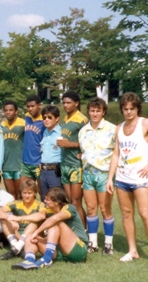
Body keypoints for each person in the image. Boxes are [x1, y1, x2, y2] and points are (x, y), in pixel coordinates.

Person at [107, 92, 148, 268]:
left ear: (137, 108)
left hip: (140, 180)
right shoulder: (119, 127)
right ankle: (132, 250)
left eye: (132, 109)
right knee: (127, 215)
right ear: (121, 109)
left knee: (145, 214)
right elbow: (116, 154)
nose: (129, 112)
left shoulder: (146, 124)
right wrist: (109, 178)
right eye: (125, 109)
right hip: (121, 179)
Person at [12, 187, 88, 270]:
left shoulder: (69, 208)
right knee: (30, 236)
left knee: (56, 223)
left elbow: (55, 219)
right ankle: (29, 261)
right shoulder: (49, 211)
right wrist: (15, 219)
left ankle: (47, 259)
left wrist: (37, 232)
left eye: (47, 199)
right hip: (59, 252)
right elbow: (39, 216)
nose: (45, 201)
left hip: (78, 250)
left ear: (56, 202)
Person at [79, 97, 117, 255]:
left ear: (103, 112)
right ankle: (92, 242)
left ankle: (108, 244)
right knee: (91, 208)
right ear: (88, 111)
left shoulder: (112, 129)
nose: (95, 114)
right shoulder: (83, 131)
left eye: (98, 111)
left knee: (105, 208)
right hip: (88, 174)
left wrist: (111, 177)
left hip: (104, 174)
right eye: (92, 110)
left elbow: (117, 153)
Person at [57, 90, 88, 228]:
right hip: (65, 164)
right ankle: (74, 229)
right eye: (64, 102)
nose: (65, 105)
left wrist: (70, 144)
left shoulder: (82, 120)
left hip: (76, 165)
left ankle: (83, 232)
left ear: (77, 103)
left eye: (69, 103)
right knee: (69, 201)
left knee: (76, 201)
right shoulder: (65, 119)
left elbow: (89, 142)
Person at [0, 179, 47, 260]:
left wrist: (18, 218)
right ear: (21, 193)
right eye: (24, 193)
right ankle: (16, 246)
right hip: (17, 234)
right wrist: (10, 220)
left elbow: (42, 216)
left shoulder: (39, 205)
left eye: (30, 193)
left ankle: (16, 248)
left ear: (35, 194)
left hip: (31, 237)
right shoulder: (16, 203)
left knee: (34, 222)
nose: (27, 196)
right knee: (3, 219)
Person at [21, 95, 45, 195]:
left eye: (33, 106)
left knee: (42, 192)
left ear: (39, 105)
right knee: (25, 191)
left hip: (38, 161)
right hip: (25, 161)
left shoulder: (45, 120)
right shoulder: (27, 117)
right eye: (28, 106)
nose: (30, 109)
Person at [1, 100, 24, 199]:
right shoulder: (2, 125)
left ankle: (22, 215)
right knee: (10, 196)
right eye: (6, 110)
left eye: (11, 110)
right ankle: (13, 214)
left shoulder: (23, 124)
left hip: (19, 165)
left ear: (16, 111)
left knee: (21, 194)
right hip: (6, 166)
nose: (8, 112)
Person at [39, 105, 63, 201]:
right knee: (45, 200)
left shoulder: (61, 132)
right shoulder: (44, 132)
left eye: (49, 117)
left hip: (55, 171)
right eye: (44, 118)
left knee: (56, 200)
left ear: (57, 118)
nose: (46, 120)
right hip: (43, 171)